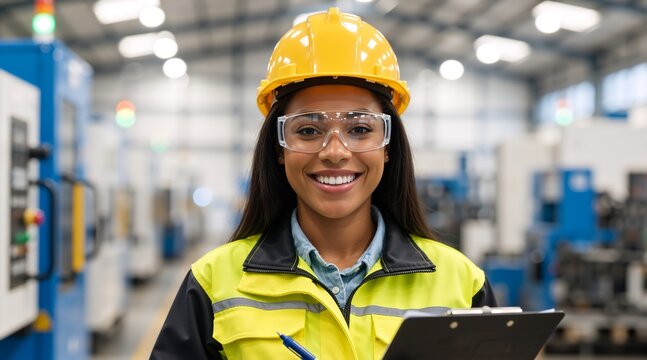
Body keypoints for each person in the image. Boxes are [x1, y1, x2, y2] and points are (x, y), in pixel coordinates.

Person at [151, 7, 496, 360]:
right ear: (279, 148)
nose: (335, 152)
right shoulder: (213, 283)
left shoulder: (461, 283)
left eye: (360, 129)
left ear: (389, 147)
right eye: (308, 130)